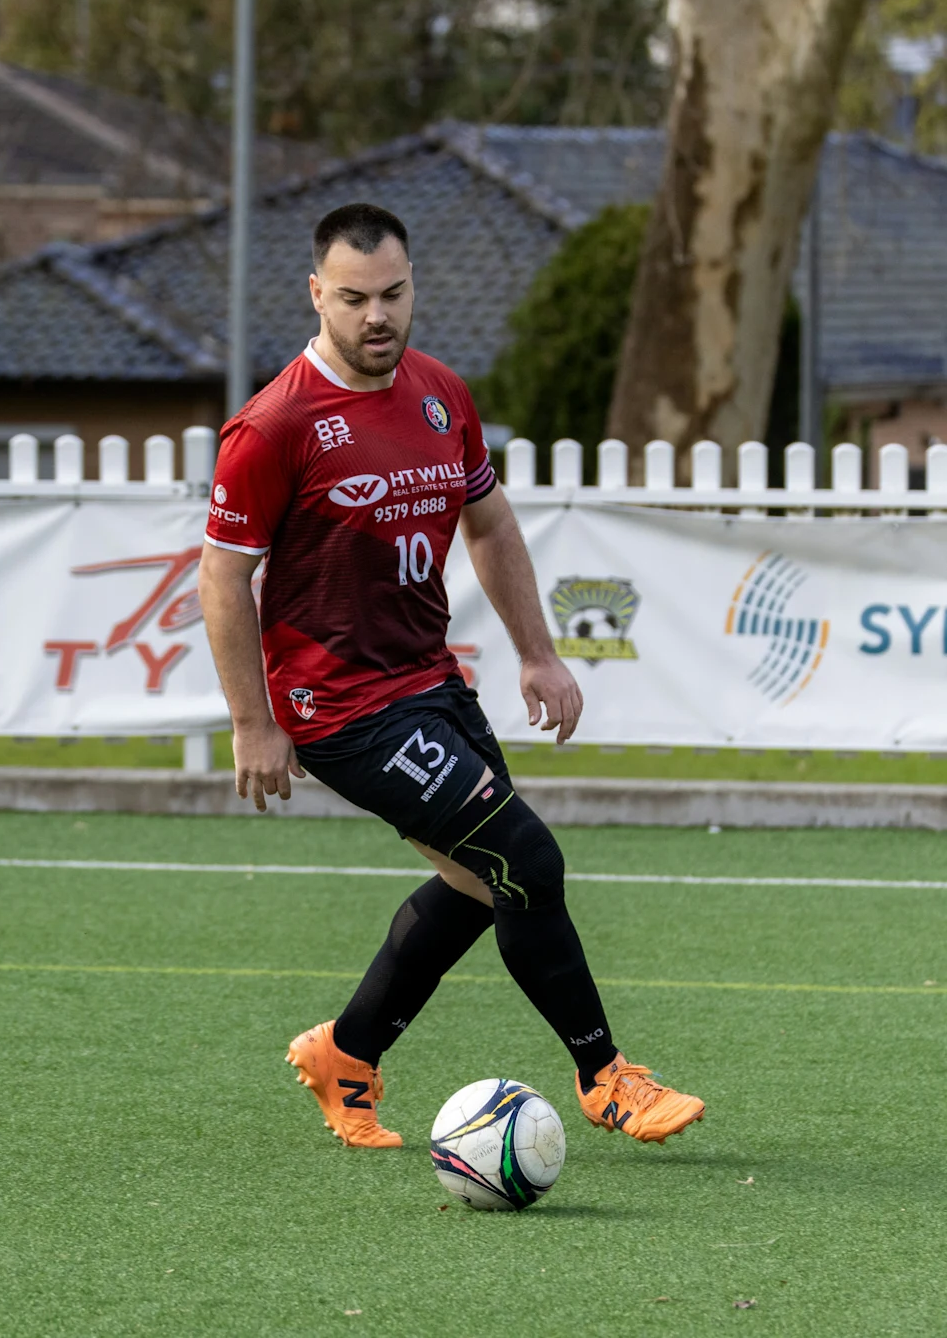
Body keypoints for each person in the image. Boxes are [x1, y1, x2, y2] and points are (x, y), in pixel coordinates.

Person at [198, 202, 704, 1150]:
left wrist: (539, 652)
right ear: (316, 295)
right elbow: (222, 576)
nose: (376, 316)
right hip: (340, 709)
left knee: (488, 883)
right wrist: (252, 722)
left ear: (412, 286)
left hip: (428, 683)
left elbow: (491, 523)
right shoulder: (274, 425)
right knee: (527, 861)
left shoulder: (440, 394)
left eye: (392, 294)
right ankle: (606, 1078)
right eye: (354, 298)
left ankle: (347, 1054)